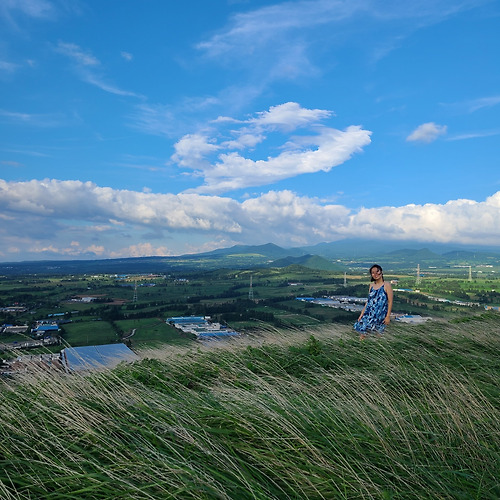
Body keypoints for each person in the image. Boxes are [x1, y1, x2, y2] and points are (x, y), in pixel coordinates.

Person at [354, 264, 393, 340]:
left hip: (380, 314)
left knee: (379, 335)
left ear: (381, 271)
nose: (376, 274)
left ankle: (377, 350)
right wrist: (362, 314)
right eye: (373, 272)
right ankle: (361, 348)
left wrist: (388, 316)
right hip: (369, 313)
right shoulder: (371, 286)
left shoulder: (386, 285)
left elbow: (390, 301)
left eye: (377, 271)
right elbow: (368, 301)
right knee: (363, 333)